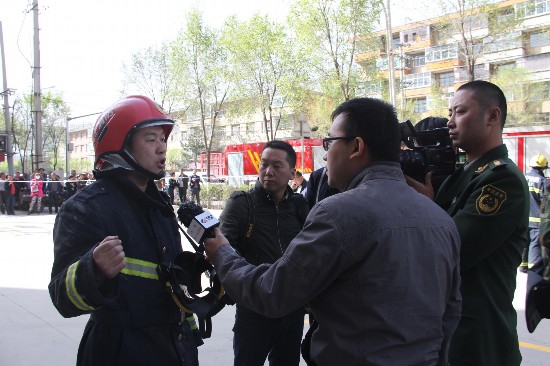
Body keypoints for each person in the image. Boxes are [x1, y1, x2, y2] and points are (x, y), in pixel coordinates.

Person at [205, 98, 462, 366]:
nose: (325, 155)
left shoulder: (337, 213)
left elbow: (273, 291)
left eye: (329, 143)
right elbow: (450, 314)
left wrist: (222, 254)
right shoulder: (441, 219)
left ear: (356, 147)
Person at [48, 95, 201, 366]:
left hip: (175, 347)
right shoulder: (85, 208)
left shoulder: (159, 205)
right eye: (150, 139)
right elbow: (62, 297)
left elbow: (162, 279)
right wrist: (93, 269)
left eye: (163, 139)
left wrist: (198, 270)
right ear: (120, 144)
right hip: (121, 351)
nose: (162, 149)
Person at [406, 80, 529, 366]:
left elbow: (450, 251)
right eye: (449, 113)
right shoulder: (463, 175)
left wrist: (424, 207)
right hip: (447, 327)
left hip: (476, 338)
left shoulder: (501, 179)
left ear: (492, 116)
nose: (450, 122)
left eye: (460, 112)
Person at [216, 140, 309, 366]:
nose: (268, 172)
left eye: (277, 166)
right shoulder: (242, 203)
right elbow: (223, 248)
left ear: (291, 172)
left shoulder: (299, 205)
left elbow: (310, 250)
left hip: (291, 310)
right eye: (264, 164)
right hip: (253, 310)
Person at [520, 154, 548, 273]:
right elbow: (544, 201)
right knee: (535, 244)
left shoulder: (523, 177)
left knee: (525, 243)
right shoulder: (542, 181)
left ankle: (523, 265)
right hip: (536, 220)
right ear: (543, 167)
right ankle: (533, 267)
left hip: (524, 218)